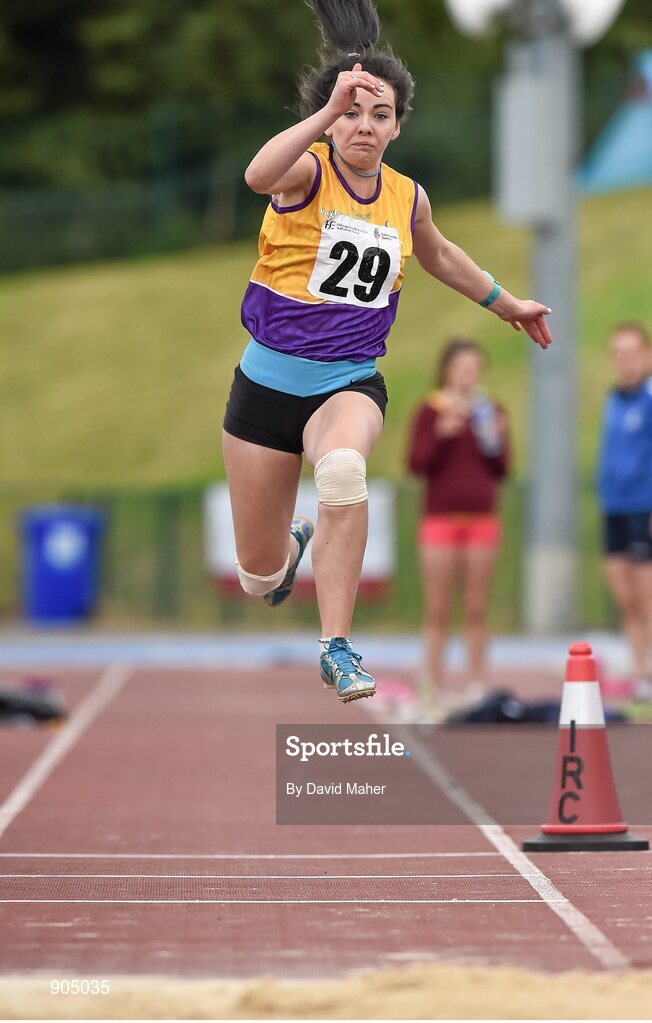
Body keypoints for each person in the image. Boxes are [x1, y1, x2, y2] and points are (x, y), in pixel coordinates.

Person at [222, 0, 552, 705]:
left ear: (398, 126)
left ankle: (336, 645)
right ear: (332, 118)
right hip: (264, 388)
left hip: (347, 384)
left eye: (379, 115)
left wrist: (507, 301)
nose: (364, 127)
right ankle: (288, 557)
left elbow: (442, 257)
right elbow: (256, 175)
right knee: (257, 577)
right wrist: (326, 111)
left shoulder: (408, 199)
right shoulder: (305, 173)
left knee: (343, 470)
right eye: (352, 113)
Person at [407, 340, 510, 716]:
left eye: (475, 368)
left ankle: (478, 682)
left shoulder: (490, 411)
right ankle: (430, 683)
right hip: (439, 520)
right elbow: (416, 464)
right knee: (437, 607)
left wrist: (495, 438)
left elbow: (503, 468)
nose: (469, 375)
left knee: (476, 607)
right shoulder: (430, 411)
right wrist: (440, 434)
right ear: (447, 371)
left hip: (482, 519)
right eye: (462, 367)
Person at [597, 322, 652, 684]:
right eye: (619, 355)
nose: (626, 362)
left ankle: (647, 669)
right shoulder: (614, 399)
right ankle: (638, 668)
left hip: (642, 505)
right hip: (613, 505)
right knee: (624, 596)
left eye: (632, 354)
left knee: (645, 594)